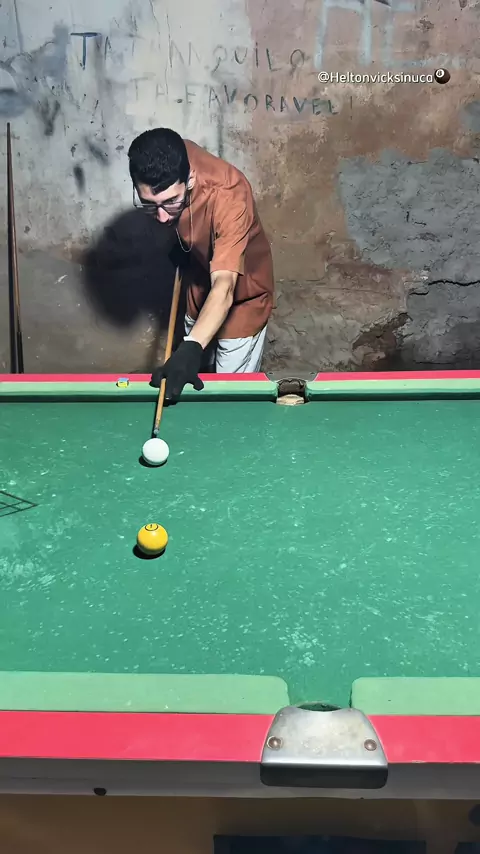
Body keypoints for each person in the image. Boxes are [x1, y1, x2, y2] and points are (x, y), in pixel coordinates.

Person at [127, 128, 275, 401]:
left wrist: (192, 345)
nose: (162, 217)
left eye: (171, 202)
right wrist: (183, 243)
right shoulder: (169, 154)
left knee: (227, 399)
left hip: (242, 300)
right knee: (192, 382)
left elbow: (225, 285)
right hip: (198, 286)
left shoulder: (229, 194)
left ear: (190, 178)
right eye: (149, 204)